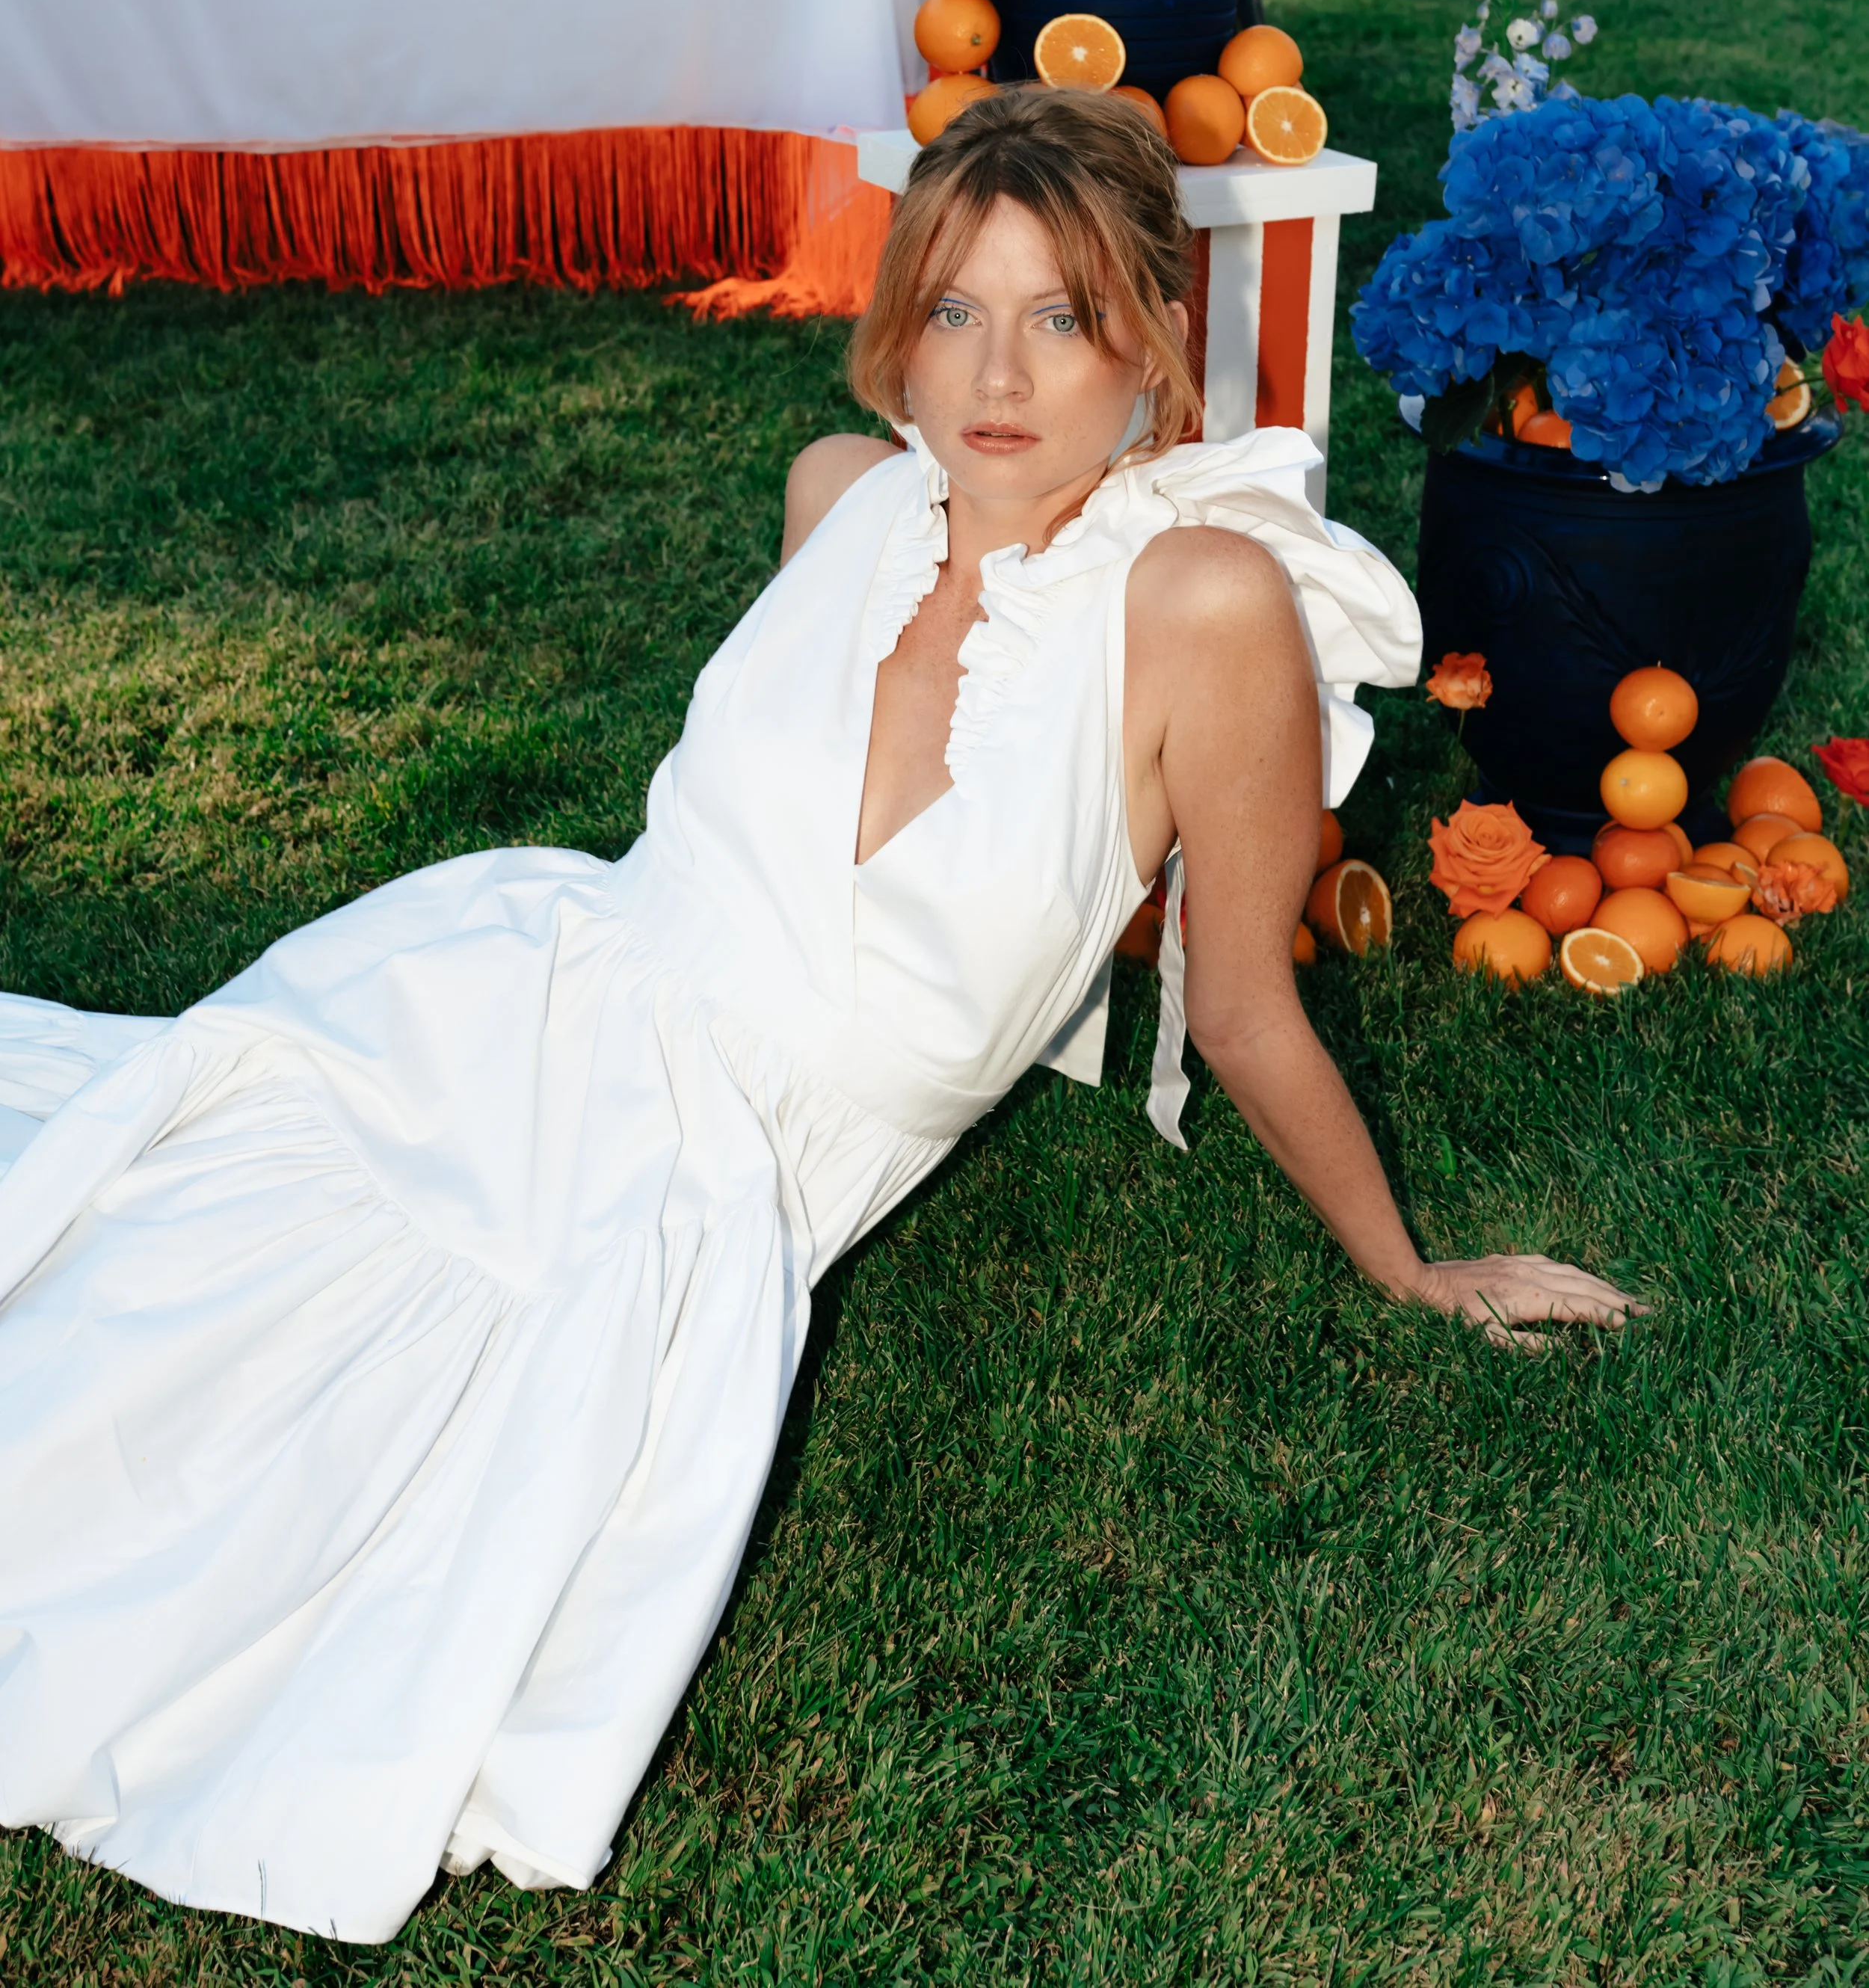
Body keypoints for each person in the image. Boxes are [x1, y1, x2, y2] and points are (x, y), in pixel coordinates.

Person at [0, 93, 1638, 1943]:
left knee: (264, 1489)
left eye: (1060, 316)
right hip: (508, 992)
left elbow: (1245, 1004)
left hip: (708, 1177)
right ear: (894, 334)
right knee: (140, 1294)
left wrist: (1408, 1271)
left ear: (1148, 346)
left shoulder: (1204, 607)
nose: (997, 373)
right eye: (952, 311)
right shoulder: (838, 496)